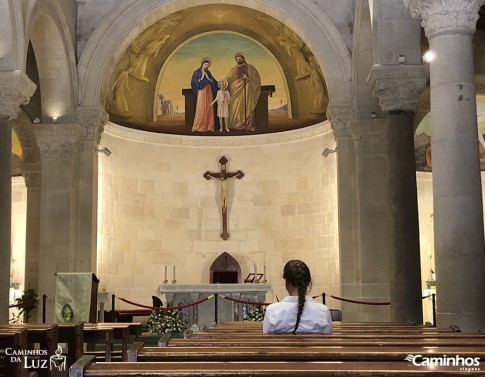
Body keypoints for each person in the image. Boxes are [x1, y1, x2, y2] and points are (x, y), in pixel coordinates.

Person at [263, 260, 332, 334]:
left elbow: (266, 335)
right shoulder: (323, 311)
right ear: (308, 282)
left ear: (287, 283)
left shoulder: (272, 311)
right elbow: (328, 336)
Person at [224, 53, 261, 131]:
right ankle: (238, 124)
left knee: (248, 105)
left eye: (240, 58)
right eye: (237, 59)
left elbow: (256, 79)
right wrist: (224, 82)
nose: (238, 60)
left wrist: (248, 78)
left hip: (247, 88)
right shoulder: (234, 69)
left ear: (243, 58)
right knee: (234, 105)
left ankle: (249, 125)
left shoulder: (250, 67)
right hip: (236, 88)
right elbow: (228, 78)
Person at [191, 58, 219, 132]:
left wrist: (210, 80)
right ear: (202, 64)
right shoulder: (196, 72)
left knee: (208, 107)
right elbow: (194, 82)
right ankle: (197, 126)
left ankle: (209, 126)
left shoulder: (208, 72)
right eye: (205, 65)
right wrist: (201, 78)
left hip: (208, 91)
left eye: (207, 65)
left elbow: (213, 80)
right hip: (201, 91)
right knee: (201, 107)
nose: (206, 66)